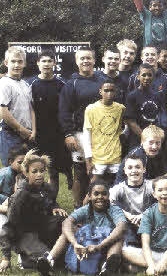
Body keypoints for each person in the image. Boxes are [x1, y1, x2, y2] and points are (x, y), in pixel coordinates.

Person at [0, 150, 68, 275]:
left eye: (42, 171)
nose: (39, 175)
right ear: (26, 173)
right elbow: (9, 226)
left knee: (61, 221)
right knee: (47, 260)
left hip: (41, 228)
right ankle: (25, 258)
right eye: (34, 171)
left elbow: (51, 201)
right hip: (25, 234)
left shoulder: (46, 188)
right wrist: (5, 257)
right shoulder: (21, 195)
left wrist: (55, 207)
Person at [59, 47, 107, 207]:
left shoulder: (103, 80)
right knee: (80, 172)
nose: (86, 61)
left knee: (100, 171)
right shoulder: (71, 83)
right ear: (77, 61)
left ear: (94, 60)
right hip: (80, 134)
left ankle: (98, 207)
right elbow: (64, 110)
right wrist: (68, 134)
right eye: (82, 58)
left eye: (89, 58)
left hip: (102, 134)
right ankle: (78, 207)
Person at [122, 177, 167, 275]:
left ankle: (162, 268)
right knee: (125, 251)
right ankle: (162, 268)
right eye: (160, 190)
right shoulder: (148, 213)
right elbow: (145, 244)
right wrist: (151, 265)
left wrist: (163, 262)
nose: (164, 193)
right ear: (154, 194)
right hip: (152, 253)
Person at [61, 180, 128, 275]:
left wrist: (100, 246)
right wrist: (74, 243)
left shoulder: (114, 209)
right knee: (67, 231)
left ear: (109, 195)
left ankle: (108, 268)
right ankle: (49, 259)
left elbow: (122, 226)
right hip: (89, 242)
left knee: (119, 237)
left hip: (106, 243)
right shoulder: (86, 209)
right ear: (89, 196)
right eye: (96, 194)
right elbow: (67, 222)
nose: (100, 197)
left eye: (104, 194)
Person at [28, 48, 70, 189]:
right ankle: (34, 200)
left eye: (49, 61)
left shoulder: (62, 84)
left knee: (53, 171)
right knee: (34, 170)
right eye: (43, 61)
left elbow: (67, 110)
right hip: (36, 134)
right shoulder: (30, 84)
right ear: (38, 64)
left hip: (56, 135)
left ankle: (52, 202)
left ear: (54, 63)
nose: (46, 64)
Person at [82, 80, 126, 184]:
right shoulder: (91, 109)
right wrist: (88, 160)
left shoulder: (120, 108)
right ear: (100, 91)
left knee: (116, 185)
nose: (109, 94)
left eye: (112, 91)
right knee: (94, 186)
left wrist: (123, 135)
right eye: (106, 90)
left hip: (115, 156)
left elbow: (126, 125)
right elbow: (87, 135)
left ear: (115, 92)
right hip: (98, 157)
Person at [110, 153, 156, 246]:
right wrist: (129, 215)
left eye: (137, 167)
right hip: (129, 223)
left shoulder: (151, 186)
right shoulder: (119, 188)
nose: (134, 171)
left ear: (144, 169)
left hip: (148, 222)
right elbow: (109, 203)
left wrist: (144, 215)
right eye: (130, 168)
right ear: (125, 170)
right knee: (116, 210)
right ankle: (131, 245)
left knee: (157, 202)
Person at [0, 46, 35, 166]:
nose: (16, 65)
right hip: (11, 134)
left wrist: (33, 131)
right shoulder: (4, 83)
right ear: (6, 63)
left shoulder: (25, 84)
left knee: (26, 173)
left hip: (27, 134)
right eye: (13, 61)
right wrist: (21, 129)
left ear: (24, 63)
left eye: (20, 61)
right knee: (12, 173)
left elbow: (31, 109)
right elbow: (3, 111)